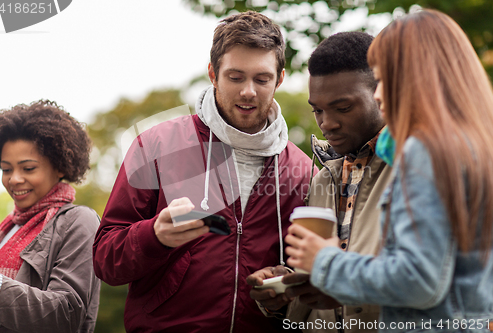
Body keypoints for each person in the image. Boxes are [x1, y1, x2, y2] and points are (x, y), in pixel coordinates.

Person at [92, 11, 314, 333]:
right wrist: (154, 236)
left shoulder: (302, 169)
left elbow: (307, 270)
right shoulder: (155, 146)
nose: (248, 91)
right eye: (235, 77)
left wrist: (286, 284)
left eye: (261, 79)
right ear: (213, 73)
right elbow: (104, 258)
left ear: (279, 79)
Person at [286, 9, 493, 333]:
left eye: (383, 80)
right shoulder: (474, 145)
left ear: (416, 77)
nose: (380, 94)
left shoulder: (425, 150)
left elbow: (420, 280)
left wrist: (327, 261)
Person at [247, 32, 391, 332]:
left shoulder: (418, 168)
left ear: (382, 93)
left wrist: (341, 283)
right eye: (318, 110)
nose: (326, 123)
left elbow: (434, 280)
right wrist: (285, 290)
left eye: (343, 108)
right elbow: (321, 293)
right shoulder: (322, 180)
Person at [0, 100, 101, 333]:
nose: (14, 179)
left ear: (60, 166)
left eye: (28, 168)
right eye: (6, 169)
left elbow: (67, 313)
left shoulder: (79, 221)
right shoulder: (7, 228)